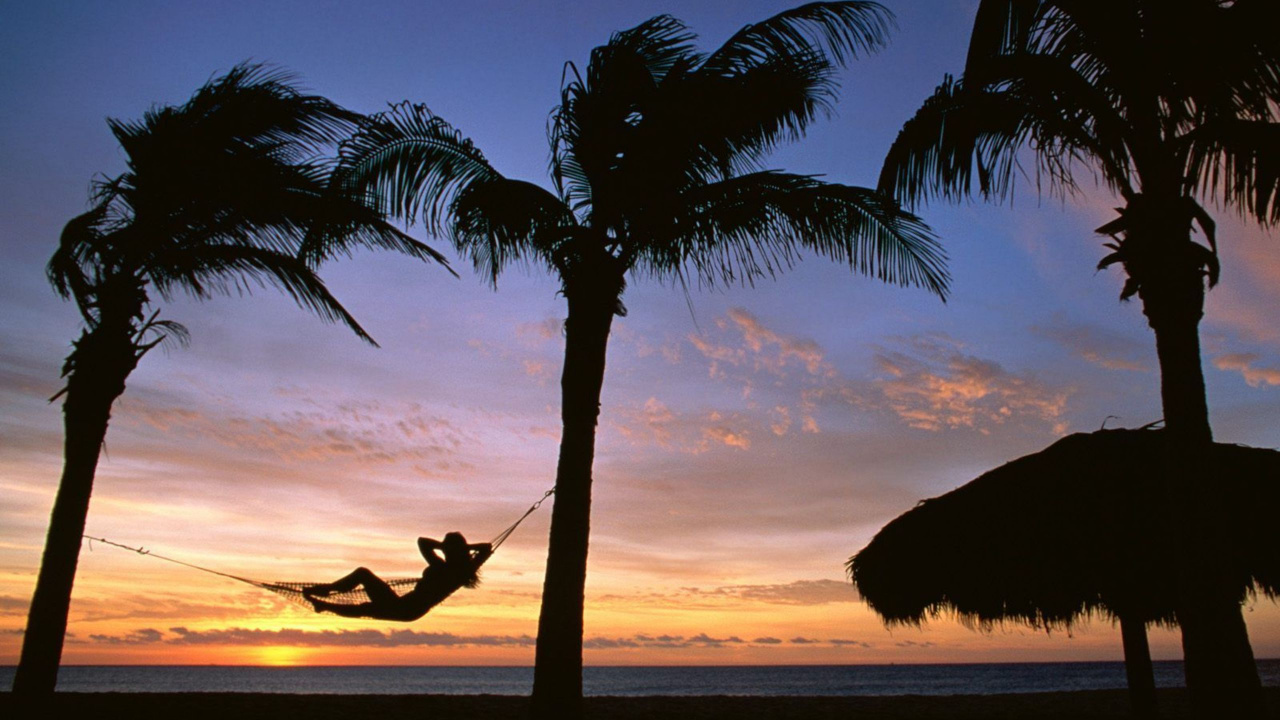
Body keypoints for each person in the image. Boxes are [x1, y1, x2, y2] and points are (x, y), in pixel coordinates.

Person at [302, 532, 492, 622]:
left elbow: (485, 548)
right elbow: (423, 542)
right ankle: (324, 601)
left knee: (365, 592)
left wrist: (452, 547)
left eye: (447, 547)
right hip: (404, 606)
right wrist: (452, 547)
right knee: (366, 598)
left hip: (407, 609)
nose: (444, 550)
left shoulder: (453, 571)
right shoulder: (458, 569)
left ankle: (325, 597)